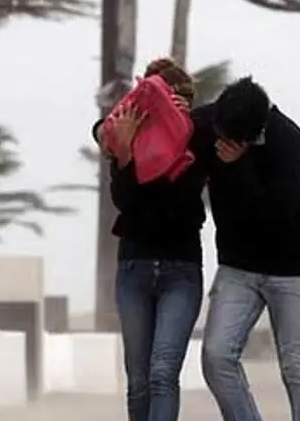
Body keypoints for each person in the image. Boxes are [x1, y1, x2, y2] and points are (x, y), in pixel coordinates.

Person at [191, 77, 300, 421]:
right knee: (217, 356)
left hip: (295, 268)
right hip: (239, 266)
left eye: (227, 138)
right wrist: (105, 129)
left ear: (249, 136)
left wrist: (240, 166)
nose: (217, 139)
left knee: (299, 369)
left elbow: (274, 216)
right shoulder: (213, 122)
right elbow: (169, 130)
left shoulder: (289, 141)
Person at [93, 58, 208, 421]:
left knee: (162, 373)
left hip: (181, 268)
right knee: (138, 379)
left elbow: (180, 202)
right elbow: (127, 203)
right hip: (134, 267)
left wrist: (180, 135)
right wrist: (124, 152)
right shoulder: (129, 140)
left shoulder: (197, 143)